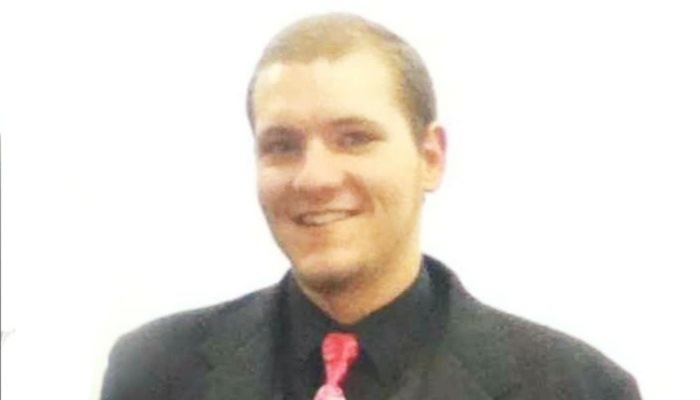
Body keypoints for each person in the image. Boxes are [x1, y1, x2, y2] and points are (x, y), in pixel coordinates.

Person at [100, 12, 642, 400]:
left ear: (430, 157)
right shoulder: (154, 374)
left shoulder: (575, 387)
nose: (314, 178)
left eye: (354, 138)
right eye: (282, 146)